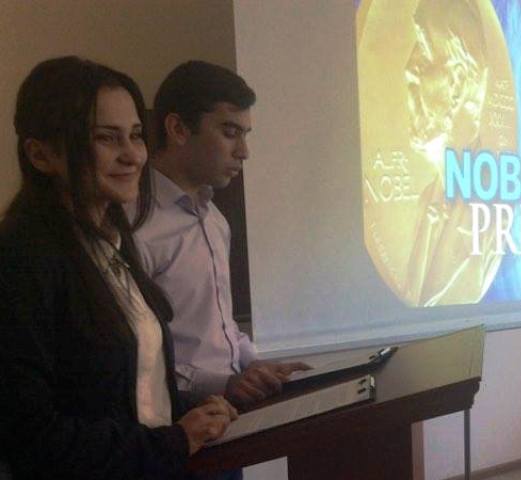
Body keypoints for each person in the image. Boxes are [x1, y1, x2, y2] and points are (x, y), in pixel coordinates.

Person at [0, 56, 237, 480]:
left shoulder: (111, 240)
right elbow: (32, 438)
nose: (132, 156)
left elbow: (125, 393)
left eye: (136, 135)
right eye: (106, 138)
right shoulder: (21, 260)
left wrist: (189, 412)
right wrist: (174, 440)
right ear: (40, 154)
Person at [133, 61, 308, 410]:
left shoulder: (215, 220)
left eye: (245, 135)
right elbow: (137, 360)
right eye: (230, 133)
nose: (244, 151)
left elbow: (220, 326)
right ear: (178, 129)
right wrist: (222, 385)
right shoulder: (134, 226)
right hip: (176, 420)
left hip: (228, 410)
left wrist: (253, 364)